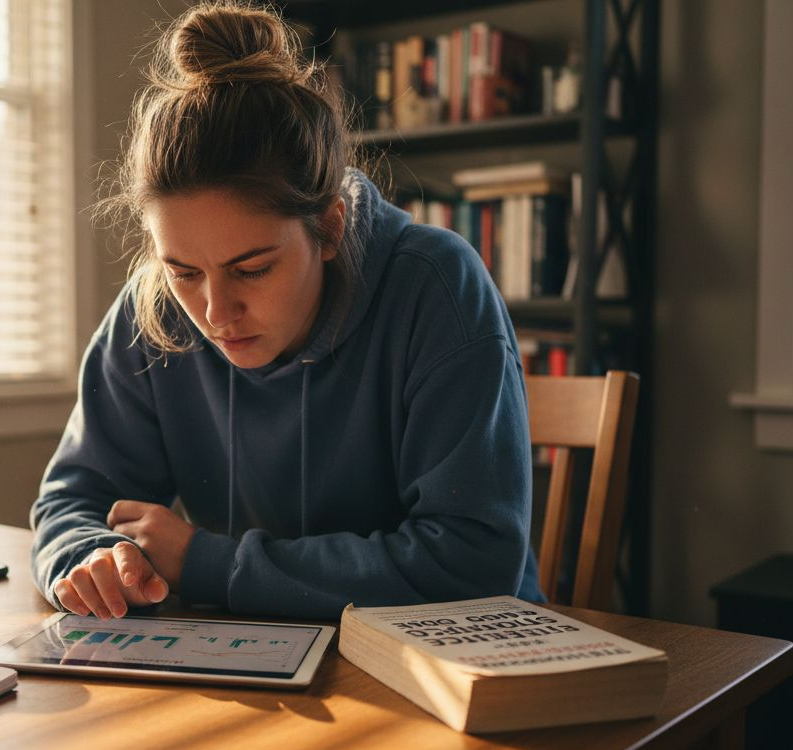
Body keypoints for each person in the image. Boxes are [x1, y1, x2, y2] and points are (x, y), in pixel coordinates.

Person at [31, 0, 542, 621]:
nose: (215, 312)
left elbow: (472, 563)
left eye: (252, 269)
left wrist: (206, 563)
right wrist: (93, 561)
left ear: (329, 228)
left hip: (448, 658)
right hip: (250, 651)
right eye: (184, 271)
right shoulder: (156, 306)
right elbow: (73, 501)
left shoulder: (436, 286)